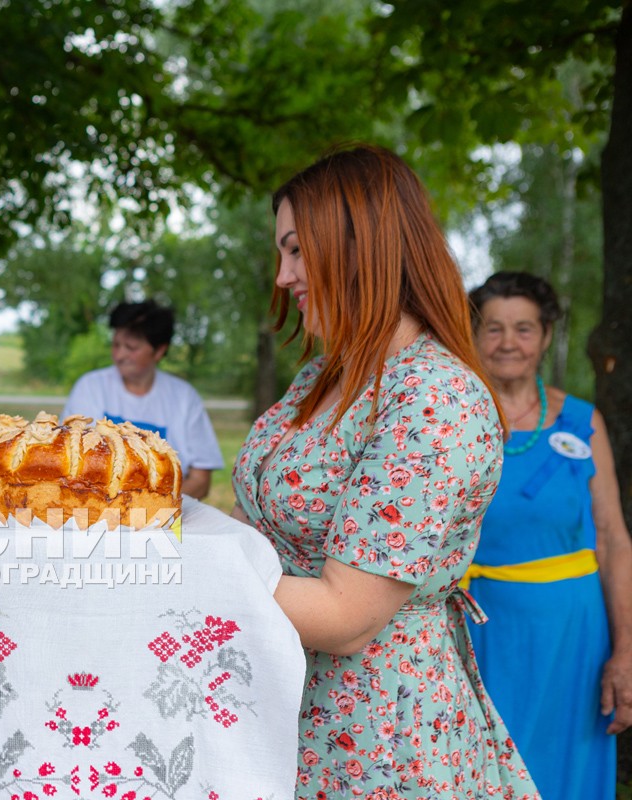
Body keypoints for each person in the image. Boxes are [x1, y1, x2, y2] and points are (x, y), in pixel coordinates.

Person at [230, 144, 540, 799]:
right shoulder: (328, 372)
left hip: (372, 738)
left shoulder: (433, 397)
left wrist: (186, 569)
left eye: (294, 249)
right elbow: (262, 524)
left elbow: (347, 615)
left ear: (358, 245)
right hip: (283, 704)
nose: (283, 277)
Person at [464, 271, 632, 799]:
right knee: (481, 769)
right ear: (472, 335)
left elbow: (612, 539)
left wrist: (626, 651)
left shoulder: (585, 421)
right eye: (493, 329)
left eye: (524, 328)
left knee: (565, 773)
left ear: (546, 336)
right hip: (480, 627)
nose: (508, 342)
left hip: (574, 636)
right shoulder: (453, 418)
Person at [62, 299, 224, 499]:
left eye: (131, 347)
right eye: (116, 345)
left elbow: (201, 480)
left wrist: (156, 507)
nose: (119, 355)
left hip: (164, 516)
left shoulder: (184, 398)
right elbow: (73, 464)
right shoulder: (90, 387)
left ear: (159, 351)